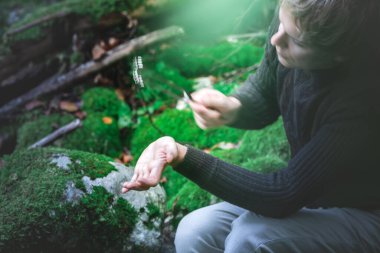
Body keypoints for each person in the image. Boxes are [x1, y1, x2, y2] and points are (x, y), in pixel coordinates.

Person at [122, 0, 380, 252]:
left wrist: (180, 155)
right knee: (195, 230)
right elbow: (265, 90)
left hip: (365, 213)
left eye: (296, 40)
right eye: (280, 22)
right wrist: (234, 107)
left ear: (339, 55)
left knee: (252, 239)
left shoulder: (363, 98)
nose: (276, 40)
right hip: (312, 195)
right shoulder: (293, 20)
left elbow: (283, 194)